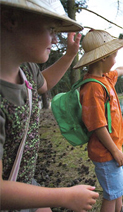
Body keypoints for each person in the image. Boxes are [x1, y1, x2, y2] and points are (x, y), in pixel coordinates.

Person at [0, 0, 99, 211]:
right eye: (50, 29)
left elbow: (43, 85)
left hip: (24, 181)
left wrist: (70, 53)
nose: (55, 39)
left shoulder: (26, 69)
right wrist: (64, 196)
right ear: (12, 19)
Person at [74, 29, 123, 212]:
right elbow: (97, 126)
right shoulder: (92, 88)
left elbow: (118, 70)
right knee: (111, 194)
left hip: (113, 148)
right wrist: (115, 152)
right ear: (103, 58)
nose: (115, 61)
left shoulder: (105, 78)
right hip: (106, 152)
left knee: (117, 188)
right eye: (114, 56)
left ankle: (120, 210)